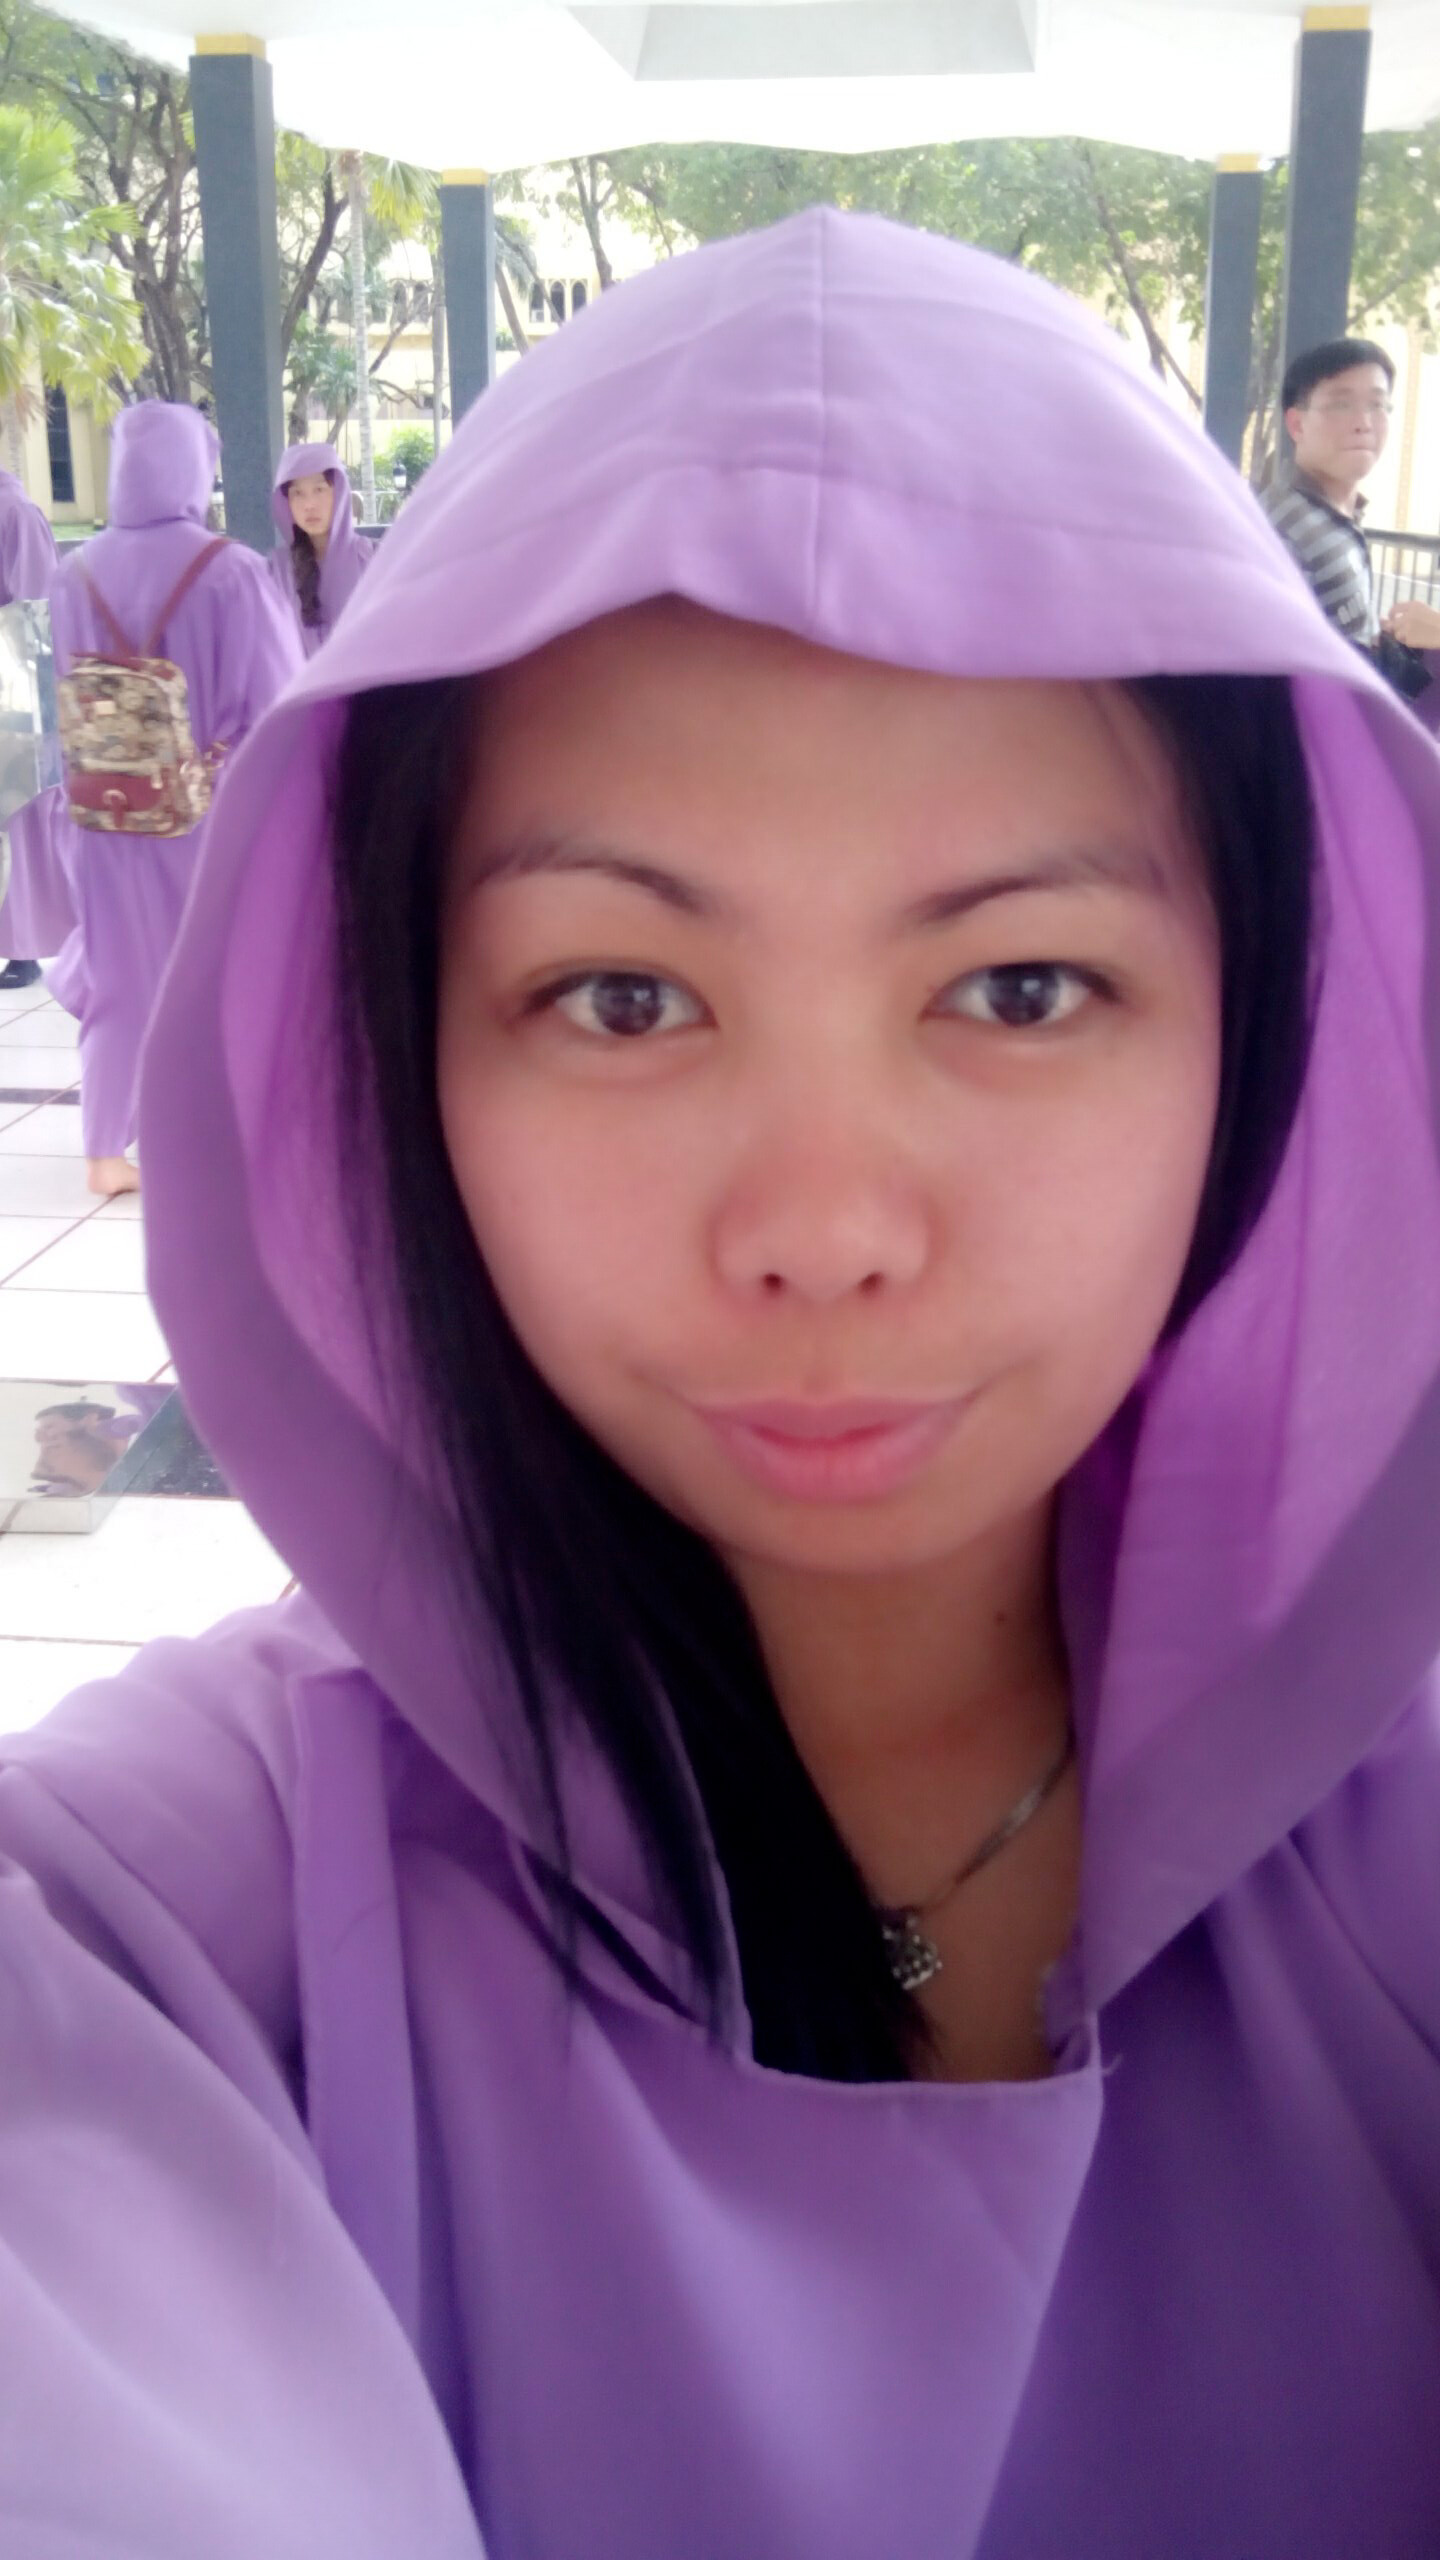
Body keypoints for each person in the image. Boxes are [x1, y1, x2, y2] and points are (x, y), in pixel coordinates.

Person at [3, 211, 1440, 2557]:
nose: (821, 1224)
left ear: (1266, 1028)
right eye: (622, 996)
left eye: (1018, 987)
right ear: (396, 1048)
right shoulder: (173, 1919)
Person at [45, 400, 301, 1196]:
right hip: (204, 812)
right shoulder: (229, 570)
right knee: (220, 973)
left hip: (100, 809)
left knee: (120, 975)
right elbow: (280, 698)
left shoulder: (73, 570)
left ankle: (104, 1153)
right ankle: (213, 1139)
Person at [1262, 335, 1432, 711]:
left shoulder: (1336, 518)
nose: (1364, 423)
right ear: (1296, 424)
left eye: (1378, 404)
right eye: (1341, 404)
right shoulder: (1281, 530)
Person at [0, 462, 62, 989]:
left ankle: (25, 945)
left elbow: (38, 605)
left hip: (13, 675)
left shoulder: (16, 512)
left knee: (20, 811)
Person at [268, 440, 373, 657]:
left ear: (339, 492)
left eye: (319, 489)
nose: (309, 504)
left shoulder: (371, 560)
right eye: (297, 493)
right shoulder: (274, 572)